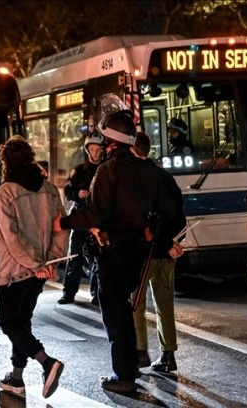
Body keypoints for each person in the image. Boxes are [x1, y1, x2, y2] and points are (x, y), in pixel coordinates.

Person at [53, 102, 165, 393]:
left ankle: (124, 376)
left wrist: (62, 224)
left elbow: (93, 213)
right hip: (139, 251)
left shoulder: (108, 169)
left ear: (110, 140)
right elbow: (163, 210)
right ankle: (129, 368)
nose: (100, 142)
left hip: (113, 251)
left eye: (103, 137)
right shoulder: (147, 169)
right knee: (124, 311)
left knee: (115, 315)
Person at [0, 136, 69, 398]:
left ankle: (47, 362)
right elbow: (61, 229)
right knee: (22, 322)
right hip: (39, 269)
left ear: (6, 162)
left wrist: (35, 264)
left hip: (15, 270)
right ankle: (16, 377)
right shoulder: (49, 190)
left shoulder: (6, 192)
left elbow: (11, 236)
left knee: (8, 322)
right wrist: (50, 261)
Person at [130, 132, 186, 373]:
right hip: (167, 254)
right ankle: (168, 354)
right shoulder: (165, 177)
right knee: (165, 305)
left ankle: (140, 352)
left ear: (132, 150)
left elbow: (138, 219)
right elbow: (179, 215)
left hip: (142, 253)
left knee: (136, 305)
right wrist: (174, 242)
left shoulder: (134, 178)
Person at [58, 131, 104, 305]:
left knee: (98, 260)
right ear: (87, 150)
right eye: (91, 149)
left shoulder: (105, 170)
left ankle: (96, 295)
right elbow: (68, 192)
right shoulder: (78, 171)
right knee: (75, 258)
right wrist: (78, 193)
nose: (94, 152)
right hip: (80, 220)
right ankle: (68, 293)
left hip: (98, 221)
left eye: (97, 149)